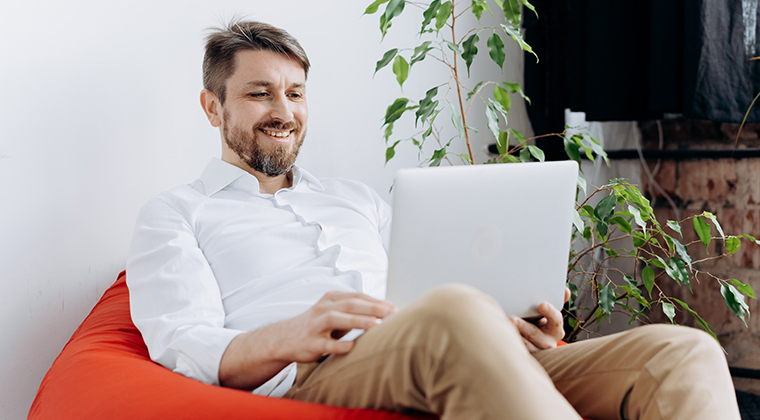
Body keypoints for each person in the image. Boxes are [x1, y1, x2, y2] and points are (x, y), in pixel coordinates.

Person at [126, 20, 741, 420]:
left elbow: (432, 286)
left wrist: (511, 317)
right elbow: (183, 343)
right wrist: (292, 334)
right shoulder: (175, 216)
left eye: (295, 93)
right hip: (316, 375)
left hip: (445, 346)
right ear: (213, 107)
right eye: (259, 93)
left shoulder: (357, 199)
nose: (283, 110)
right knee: (452, 312)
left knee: (683, 352)